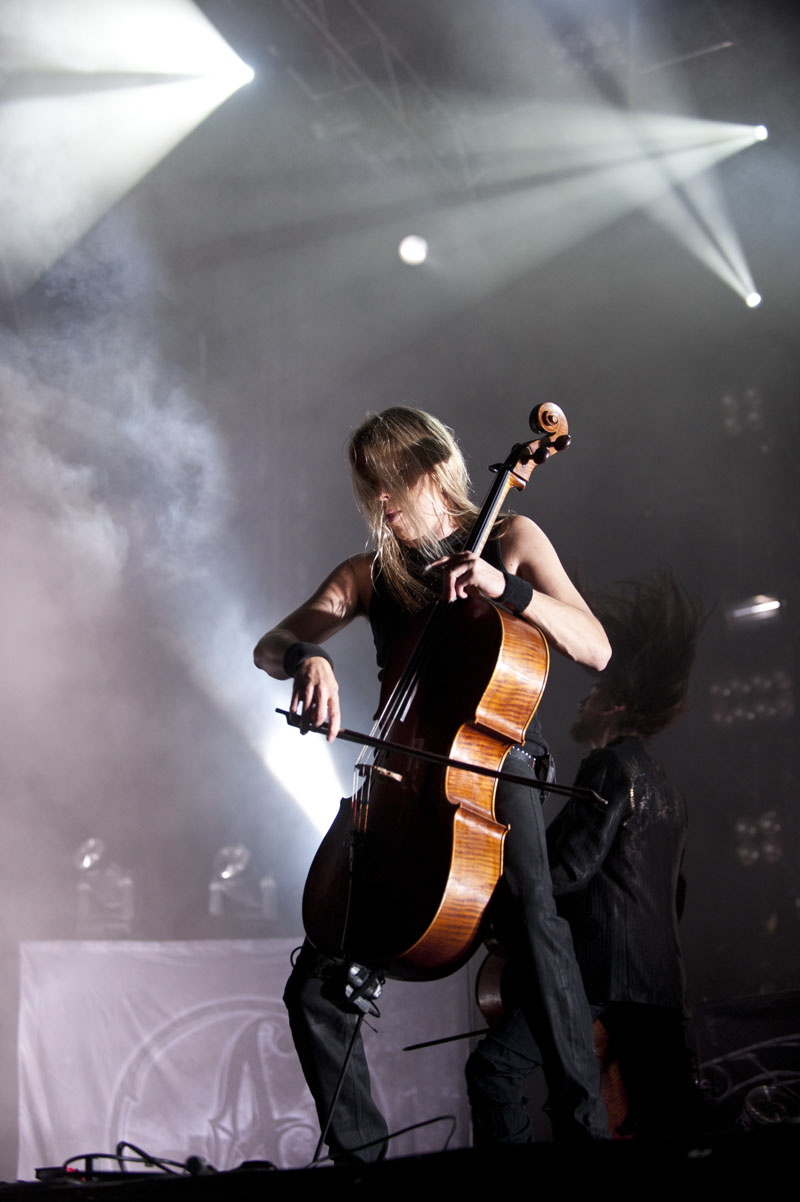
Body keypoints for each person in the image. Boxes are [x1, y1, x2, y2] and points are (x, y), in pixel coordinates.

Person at [253, 406, 611, 1159]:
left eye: (389, 482)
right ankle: (362, 1162)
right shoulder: (368, 574)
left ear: (430, 470)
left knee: (537, 929)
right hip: (404, 781)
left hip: (495, 773)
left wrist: (502, 589)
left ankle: (586, 1131)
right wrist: (305, 660)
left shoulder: (512, 537)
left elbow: (595, 647)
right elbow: (273, 641)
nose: (379, 501)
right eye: (367, 487)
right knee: (315, 987)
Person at [545, 573, 705, 1136]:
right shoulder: (670, 788)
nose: (583, 700)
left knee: (509, 1071)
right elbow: (673, 895)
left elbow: (569, 869)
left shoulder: (609, 767)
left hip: (606, 982)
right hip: (662, 987)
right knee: (664, 1119)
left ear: (612, 705)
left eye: (592, 694)